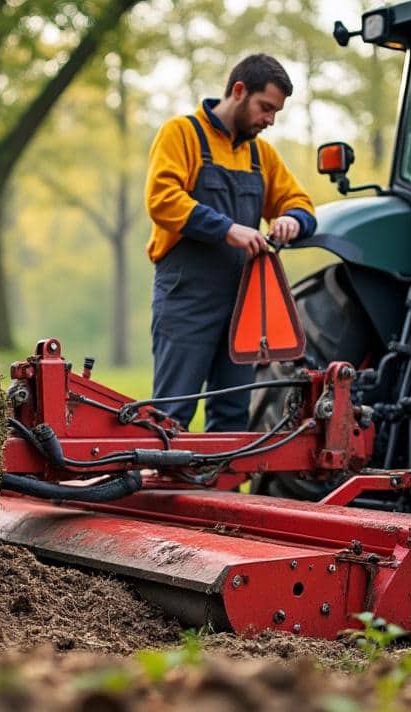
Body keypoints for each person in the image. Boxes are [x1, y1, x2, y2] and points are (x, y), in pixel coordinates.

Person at [144, 53, 316, 432]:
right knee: (170, 413)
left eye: (276, 112)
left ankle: (224, 489)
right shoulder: (182, 134)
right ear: (239, 91)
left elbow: (300, 203)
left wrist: (291, 219)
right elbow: (162, 198)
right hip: (187, 295)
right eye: (265, 107)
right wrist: (227, 228)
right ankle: (160, 488)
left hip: (244, 302)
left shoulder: (261, 155)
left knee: (233, 418)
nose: (270, 120)